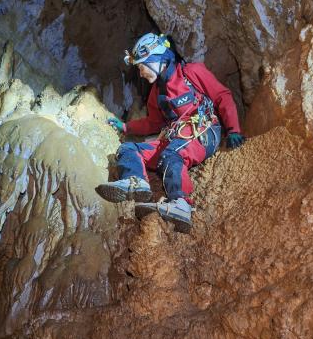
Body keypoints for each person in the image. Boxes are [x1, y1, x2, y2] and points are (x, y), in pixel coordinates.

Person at [96, 33, 245, 232]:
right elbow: (153, 123)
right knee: (129, 148)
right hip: (175, 137)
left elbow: (222, 96)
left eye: (141, 66)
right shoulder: (157, 94)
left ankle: (182, 204)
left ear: (157, 60)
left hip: (204, 132)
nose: (140, 73)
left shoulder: (191, 72)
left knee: (171, 154)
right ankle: (136, 182)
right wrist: (125, 127)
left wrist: (234, 129)